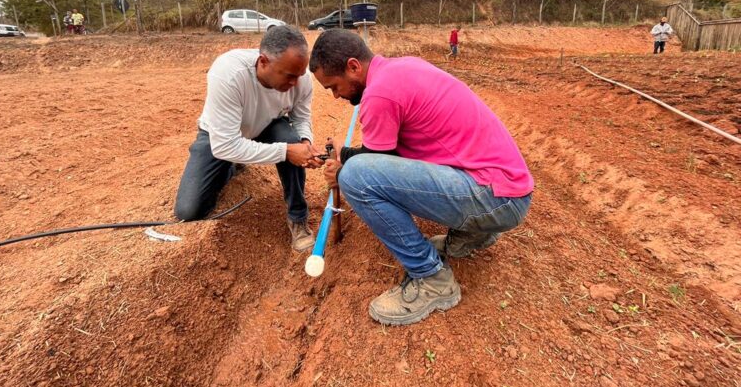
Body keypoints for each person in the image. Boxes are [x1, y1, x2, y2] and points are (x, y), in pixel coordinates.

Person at [309, 29, 533, 325]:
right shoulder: (403, 68)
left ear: (353, 66)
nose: (336, 96)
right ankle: (470, 235)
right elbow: (392, 157)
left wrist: (343, 167)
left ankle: (432, 279)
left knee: (354, 178)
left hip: (494, 198)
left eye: (334, 87)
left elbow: (376, 164)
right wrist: (347, 153)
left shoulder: (379, 94)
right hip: (509, 189)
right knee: (357, 168)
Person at [175, 26, 325, 251]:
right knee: (188, 211)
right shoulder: (229, 73)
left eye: (300, 75)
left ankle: (297, 217)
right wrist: (286, 152)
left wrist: (304, 143)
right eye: (289, 76)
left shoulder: (300, 79)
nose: (296, 83)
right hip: (221, 135)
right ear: (263, 61)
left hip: (268, 125)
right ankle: (229, 166)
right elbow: (225, 144)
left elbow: (301, 118)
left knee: (290, 139)